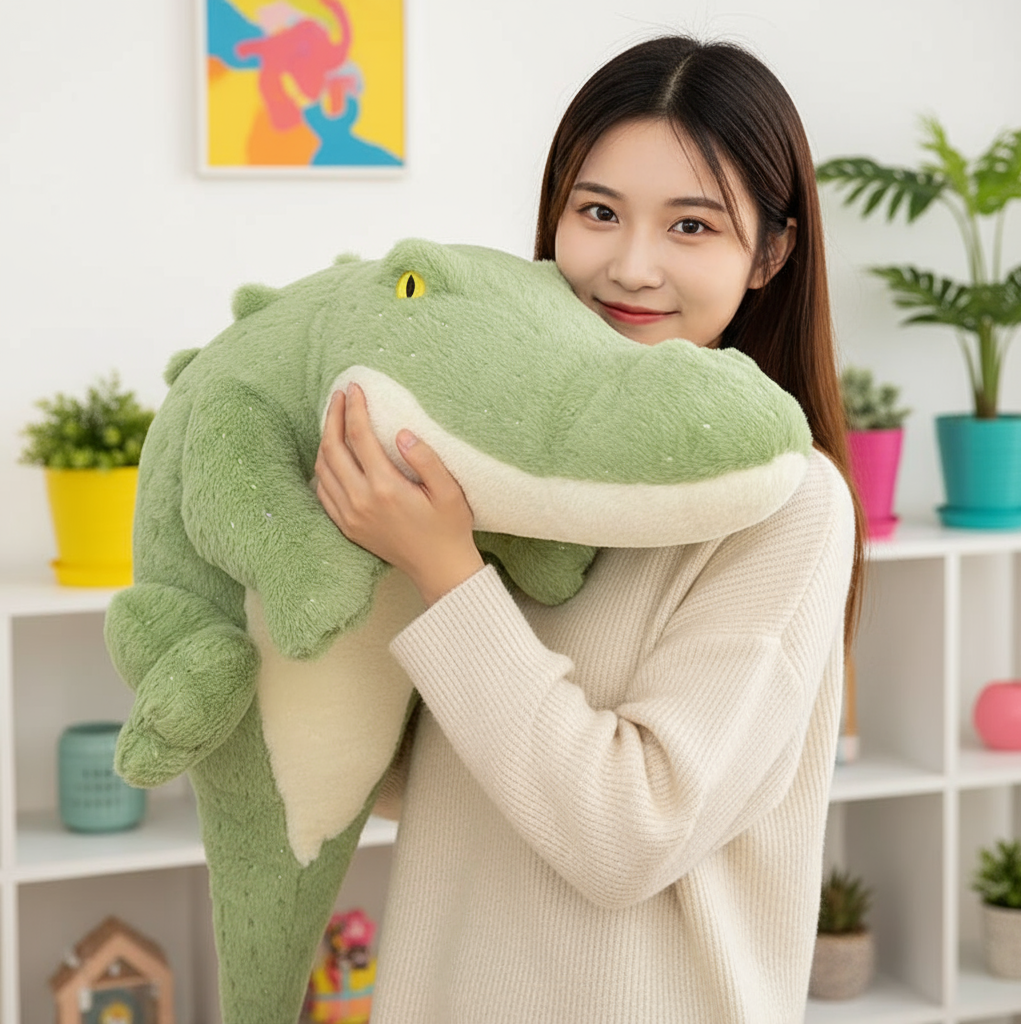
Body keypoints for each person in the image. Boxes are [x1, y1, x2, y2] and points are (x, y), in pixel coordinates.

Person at [314, 34, 864, 1024]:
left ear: (770, 253)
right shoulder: (504, 474)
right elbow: (433, 786)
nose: (630, 265)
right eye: (597, 211)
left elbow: (627, 834)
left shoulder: (791, 507)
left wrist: (444, 574)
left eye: (691, 226)